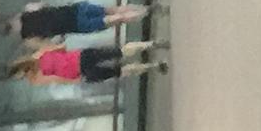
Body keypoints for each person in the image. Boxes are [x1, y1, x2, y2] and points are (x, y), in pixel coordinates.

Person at [10, 40, 165, 85]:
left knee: (119, 71)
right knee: (119, 51)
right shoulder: (39, 54)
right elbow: (62, 47)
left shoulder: (37, 79)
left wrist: (75, 80)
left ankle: (154, 66)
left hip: (81, 72)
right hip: (81, 56)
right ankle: (151, 44)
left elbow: (58, 79)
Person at [9, 0, 152, 42]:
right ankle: (146, 8)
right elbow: (44, 3)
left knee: (115, 19)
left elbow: (57, 41)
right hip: (75, 9)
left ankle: (144, 14)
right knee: (113, 10)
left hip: (77, 26)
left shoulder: (32, 35)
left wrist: (60, 33)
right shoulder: (28, 9)